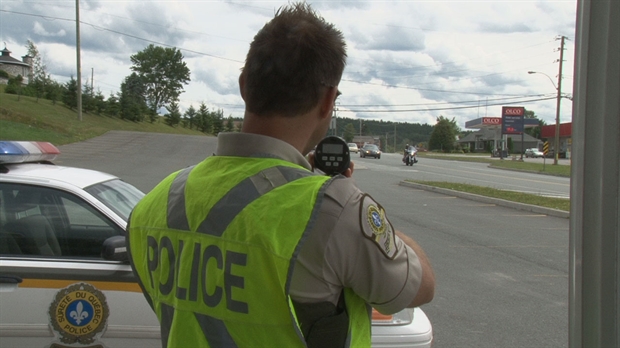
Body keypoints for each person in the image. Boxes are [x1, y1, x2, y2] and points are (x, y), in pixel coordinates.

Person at [126, 3, 435, 347]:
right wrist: (354, 204)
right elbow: (421, 288)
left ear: (244, 86)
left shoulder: (153, 205)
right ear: (328, 100)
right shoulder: (337, 210)